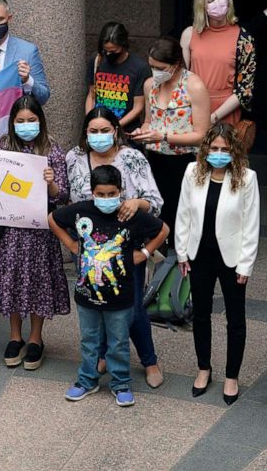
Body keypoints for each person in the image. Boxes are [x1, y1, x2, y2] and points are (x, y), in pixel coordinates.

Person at [50, 165, 168, 408]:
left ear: (120, 191)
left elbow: (163, 229)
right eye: (101, 194)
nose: (106, 199)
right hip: (87, 294)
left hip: (121, 297)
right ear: (92, 192)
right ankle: (87, 380)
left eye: (112, 194)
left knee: (118, 342)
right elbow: (52, 219)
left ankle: (120, 383)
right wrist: (72, 246)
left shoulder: (129, 214)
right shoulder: (81, 211)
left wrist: (143, 253)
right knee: (89, 340)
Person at [65, 107, 165, 387]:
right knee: (95, 306)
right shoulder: (74, 158)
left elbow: (155, 202)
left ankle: (149, 360)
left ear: (116, 130)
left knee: (130, 308)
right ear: (86, 133)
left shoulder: (132, 158)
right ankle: (101, 356)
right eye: (93, 131)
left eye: (105, 130)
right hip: (89, 251)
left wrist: (137, 203)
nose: (99, 136)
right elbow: (64, 197)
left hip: (125, 250)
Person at [175, 123, 259, 405]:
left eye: (225, 149)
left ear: (233, 151)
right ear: (206, 149)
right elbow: (183, 214)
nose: (219, 154)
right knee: (200, 314)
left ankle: (232, 375)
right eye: (214, 149)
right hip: (200, 254)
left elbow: (251, 225)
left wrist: (245, 265)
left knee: (235, 319)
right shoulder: (193, 172)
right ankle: (203, 367)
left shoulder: (247, 178)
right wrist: (182, 253)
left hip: (232, 259)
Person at [0, 96, 70, 371]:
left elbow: (63, 196)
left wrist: (50, 185)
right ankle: (15, 336)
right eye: (20, 121)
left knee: (39, 281)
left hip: (40, 230)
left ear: (41, 120)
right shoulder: (1, 147)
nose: (26, 125)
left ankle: (36, 338)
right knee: (12, 279)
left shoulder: (52, 150)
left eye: (31, 120)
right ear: (12, 123)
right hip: (11, 230)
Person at [131, 37, 209, 246]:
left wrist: (164, 136)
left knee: (182, 214)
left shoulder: (193, 85)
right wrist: (143, 131)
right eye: (151, 67)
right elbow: (149, 120)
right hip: (156, 158)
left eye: (160, 67)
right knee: (158, 213)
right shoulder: (150, 85)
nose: (155, 72)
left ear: (175, 65)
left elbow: (202, 134)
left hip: (184, 160)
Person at [180, 0, 256, 127]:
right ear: (202, 6)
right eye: (210, 0)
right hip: (192, 108)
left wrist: (213, 117)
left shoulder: (244, 39)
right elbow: (181, 79)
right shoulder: (189, 34)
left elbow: (245, 90)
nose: (217, 3)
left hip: (225, 111)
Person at [84, 22, 151, 132]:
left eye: (113, 51)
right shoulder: (96, 60)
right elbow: (91, 95)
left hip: (126, 130)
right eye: (105, 51)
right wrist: (90, 121)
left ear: (124, 46)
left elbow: (138, 107)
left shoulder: (140, 67)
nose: (108, 54)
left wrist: (115, 126)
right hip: (98, 128)